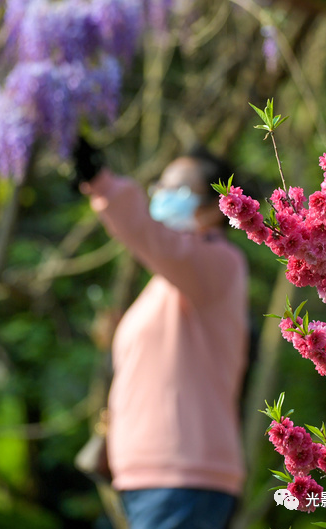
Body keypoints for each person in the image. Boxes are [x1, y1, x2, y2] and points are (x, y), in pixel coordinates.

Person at [72, 137, 249, 529]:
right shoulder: (167, 283)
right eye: (160, 188)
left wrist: (102, 184)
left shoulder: (219, 263)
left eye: (177, 189)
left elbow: (152, 239)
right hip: (145, 477)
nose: (163, 197)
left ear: (216, 209)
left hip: (184, 475)